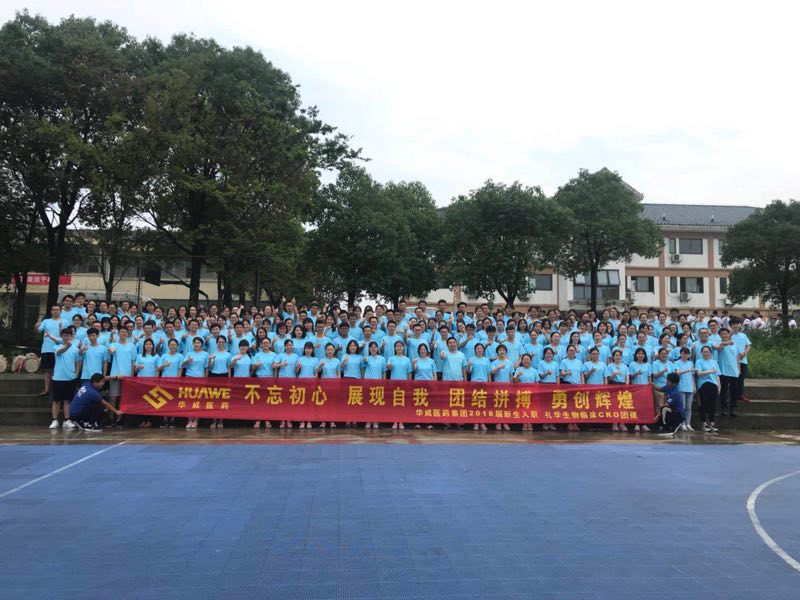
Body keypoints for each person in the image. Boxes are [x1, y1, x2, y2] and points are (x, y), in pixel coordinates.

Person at [50, 326, 81, 430]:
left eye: (68, 335)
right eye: (64, 335)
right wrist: (67, 347)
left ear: (71, 336)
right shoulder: (56, 347)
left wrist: (76, 373)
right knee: (56, 400)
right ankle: (54, 420)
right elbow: (60, 352)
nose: (66, 337)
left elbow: (78, 361)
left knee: (67, 400)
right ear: (61, 336)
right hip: (58, 378)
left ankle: (67, 420)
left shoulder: (75, 349)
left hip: (70, 378)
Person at [107, 325, 137, 428]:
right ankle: (111, 419)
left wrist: (131, 376)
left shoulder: (132, 346)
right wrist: (111, 348)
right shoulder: (114, 344)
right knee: (113, 398)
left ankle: (119, 420)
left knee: (123, 399)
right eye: (121, 332)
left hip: (127, 376)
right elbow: (110, 352)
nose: (123, 333)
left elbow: (133, 362)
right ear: (118, 333)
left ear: (128, 334)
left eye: (125, 332)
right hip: (115, 375)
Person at [36, 305, 67, 397]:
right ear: (51, 311)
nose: (55, 311)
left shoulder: (65, 321)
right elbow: (38, 330)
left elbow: (68, 335)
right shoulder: (46, 321)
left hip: (61, 349)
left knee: (58, 369)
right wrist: (39, 319)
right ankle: (46, 389)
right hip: (47, 349)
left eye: (57, 310)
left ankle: (56, 390)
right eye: (53, 310)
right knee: (47, 370)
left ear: (60, 311)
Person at [181, 337, 209, 429]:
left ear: (202, 344)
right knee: (189, 401)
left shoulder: (205, 354)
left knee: (198, 401)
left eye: (198, 343)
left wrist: (205, 379)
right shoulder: (188, 354)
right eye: (195, 343)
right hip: (189, 378)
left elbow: (206, 368)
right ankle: (189, 420)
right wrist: (187, 361)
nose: (196, 344)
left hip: (200, 379)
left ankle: (196, 420)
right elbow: (182, 365)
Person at [387, 341, 412, 430]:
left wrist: (409, 384)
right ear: (395, 348)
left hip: (404, 384)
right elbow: (388, 367)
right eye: (397, 346)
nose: (399, 348)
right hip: (394, 383)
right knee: (394, 403)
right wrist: (389, 366)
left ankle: (401, 421)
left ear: (403, 348)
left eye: (401, 346)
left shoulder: (407, 359)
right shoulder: (391, 358)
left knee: (402, 403)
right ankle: (394, 421)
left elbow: (409, 373)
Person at [695, 345, 720, 432]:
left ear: (710, 353)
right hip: (703, 384)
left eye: (707, 352)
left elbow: (717, 375)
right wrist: (710, 371)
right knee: (704, 404)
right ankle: (703, 424)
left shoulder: (714, 362)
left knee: (712, 405)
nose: (706, 353)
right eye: (704, 352)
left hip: (713, 384)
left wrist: (719, 386)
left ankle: (712, 424)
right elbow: (699, 373)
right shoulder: (699, 361)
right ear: (701, 353)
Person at [673, 347, 695, 431]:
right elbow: (677, 373)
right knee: (683, 407)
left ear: (689, 355)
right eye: (683, 353)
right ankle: (682, 424)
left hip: (690, 387)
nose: (685, 355)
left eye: (686, 354)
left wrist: (694, 386)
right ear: (680, 354)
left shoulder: (691, 363)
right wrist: (688, 370)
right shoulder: (677, 363)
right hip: (681, 387)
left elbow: (692, 376)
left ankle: (688, 423)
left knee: (689, 407)